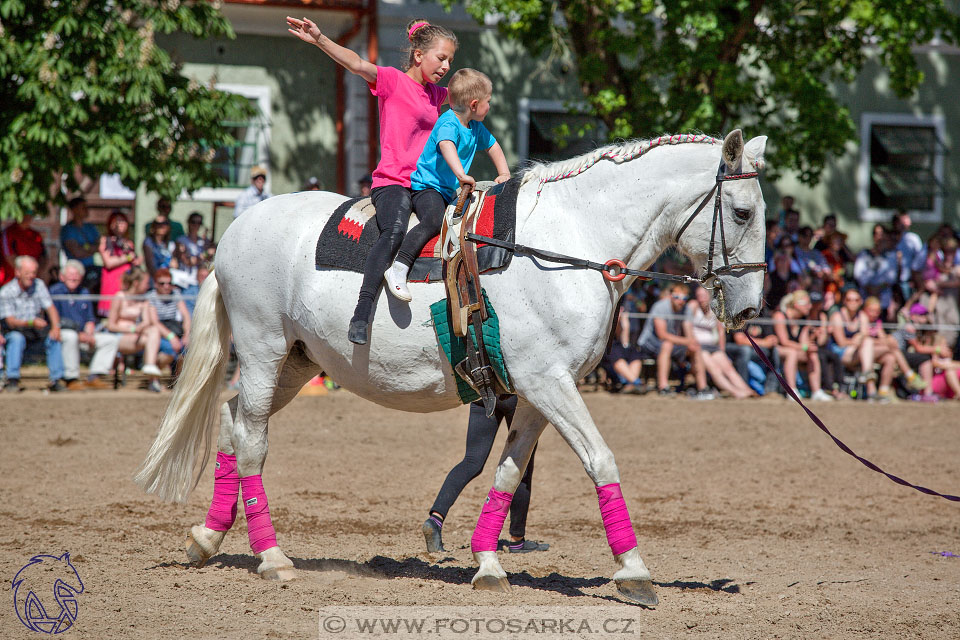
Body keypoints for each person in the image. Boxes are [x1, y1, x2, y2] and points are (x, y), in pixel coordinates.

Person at [288, 15, 457, 345]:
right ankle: (362, 311)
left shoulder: (436, 95)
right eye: (441, 57)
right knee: (393, 228)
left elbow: (464, 91)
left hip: (426, 184)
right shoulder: (393, 81)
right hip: (392, 181)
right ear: (419, 55)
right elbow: (355, 63)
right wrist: (321, 38)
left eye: (451, 60)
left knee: (445, 222)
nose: (446, 65)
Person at [383, 68, 511, 302]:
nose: (490, 107)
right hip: (426, 188)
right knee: (432, 220)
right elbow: (447, 146)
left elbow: (493, 146)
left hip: (446, 191)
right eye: (488, 102)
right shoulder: (448, 123)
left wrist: (503, 173)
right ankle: (399, 267)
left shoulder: (475, 127)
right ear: (474, 104)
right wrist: (462, 175)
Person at [422, 395, 549, 554]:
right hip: (515, 397)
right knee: (521, 465)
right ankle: (517, 541)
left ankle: (435, 520)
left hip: (483, 392)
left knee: (471, 461)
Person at [49, 260, 120, 390]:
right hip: (62, 333)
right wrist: (79, 334)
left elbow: (89, 319)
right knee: (71, 337)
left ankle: (94, 377)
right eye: (70, 274)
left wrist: (89, 332)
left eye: (77, 275)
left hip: (83, 334)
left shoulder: (84, 292)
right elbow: (55, 319)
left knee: (111, 340)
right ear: (62, 277)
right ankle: (71, 379)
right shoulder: (55, 291)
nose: (74, 277)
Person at [636, 283, 713, 399]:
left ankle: (703, 388)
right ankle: (663, 387)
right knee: (667, 345)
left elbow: (689, 334)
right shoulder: (660, 306)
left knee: (695, 347)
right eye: (677, 297)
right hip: (649, 343)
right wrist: (687, 342)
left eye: (684, 298)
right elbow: (662, 335)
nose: (680, 301)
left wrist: (691, 343)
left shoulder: (686, 308)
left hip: (671, 343)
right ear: (671, 296)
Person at [0, 255, 65, 392]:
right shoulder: (7, 291)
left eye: (34, 273)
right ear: (18, 272)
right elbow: (10, 321)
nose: (31, 276)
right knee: (17, 339)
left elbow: (51, 308)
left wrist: (55, 327)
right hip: (15, 330)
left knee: (54, 337)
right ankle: (12, 379)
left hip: (36, 330)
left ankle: (56, 379)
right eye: (27, 273)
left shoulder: (39, 285)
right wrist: (30, 322)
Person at [685, 287, 755, 399]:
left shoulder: (715, 308)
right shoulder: (693, 306)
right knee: (715, 369)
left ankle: (746, 390)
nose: (701, 299)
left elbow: (721, 332)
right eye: (698, 296)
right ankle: (735, 392)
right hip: (699, 346)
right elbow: (687, 327)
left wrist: (722, 351)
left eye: (703, 296)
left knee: (728, 368)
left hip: (713, 346)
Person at [106, 267, 165, 392]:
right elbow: (110, 325)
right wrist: (132, 329)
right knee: (151, 335)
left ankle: (149, 366)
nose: (147, 285)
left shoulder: (143, 300)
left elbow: (147, 321)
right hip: (118, 337)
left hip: (136, 337)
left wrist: (142, 326)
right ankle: (152, 377)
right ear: (136, 283)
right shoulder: (120, 297)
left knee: (154, 330)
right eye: (145, 282)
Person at [773, 290, 833, 401]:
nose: (810, 307)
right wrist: (805, 347)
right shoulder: (780, 315)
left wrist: (814, 337)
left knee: (812, 354)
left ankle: (816, 391)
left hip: (794, 349)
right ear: (796, 304)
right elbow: (784, 341)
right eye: (807, 304)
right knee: (792, 353)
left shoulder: (803, 320)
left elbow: (804, 342)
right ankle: (792, 390)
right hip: (776, 349)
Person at [146, 268, 191, 370]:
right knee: (170, 350)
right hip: (159, 333)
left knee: (188, 348)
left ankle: (176, 380)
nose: (166, 286)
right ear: (156, 284)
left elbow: (186, 316)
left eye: (169, 283)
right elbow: (154, 322)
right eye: (162, 283)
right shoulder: (151, 296)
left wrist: (187, 334)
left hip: (173, 328)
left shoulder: (175, 294)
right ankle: (154, 378)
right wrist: (171, 337)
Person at [97, 210, 140, 317]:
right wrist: (128, 257)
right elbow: (109, 263)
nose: (120, 225)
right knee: (111, 307)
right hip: (112, 279)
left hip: (126, 279)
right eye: (117, 222)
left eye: (122, 221)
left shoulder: (128, 242)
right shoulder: (105, 240)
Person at [60, 196, 102, 292]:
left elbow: (99, 247)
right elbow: (77, 252)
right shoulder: (68, 229)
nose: (86, 210)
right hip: (75, 270)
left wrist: (84, 248)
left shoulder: (90, 227)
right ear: (74, 210)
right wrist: (92, 249)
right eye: (83, 207)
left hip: (91, 269)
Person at [602, 306, 646, 394]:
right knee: (614, 353)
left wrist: (625, 324)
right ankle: (637, 382)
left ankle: (630, 385)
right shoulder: (604, 317)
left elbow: (624, 342)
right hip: (607, 347)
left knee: (635, 353)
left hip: (619, 346)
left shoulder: (622, 320)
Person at [1, 215, 47, 285]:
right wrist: (25, 273)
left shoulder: (36, 235)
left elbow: (43, 257)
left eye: (30, 214)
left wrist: (33, 273)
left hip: (32, 282)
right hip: (10, 281)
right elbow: (9, 256)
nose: (28, 217)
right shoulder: (8, 233)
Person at [142, 217, 176, 281]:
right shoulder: (148, 242)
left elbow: (174, 263)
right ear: (153, 226)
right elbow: (150, 265)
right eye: (158, 224)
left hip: (168, 279)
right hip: (155, 280)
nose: (161, 226)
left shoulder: (170, 243)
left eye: (165, 223)